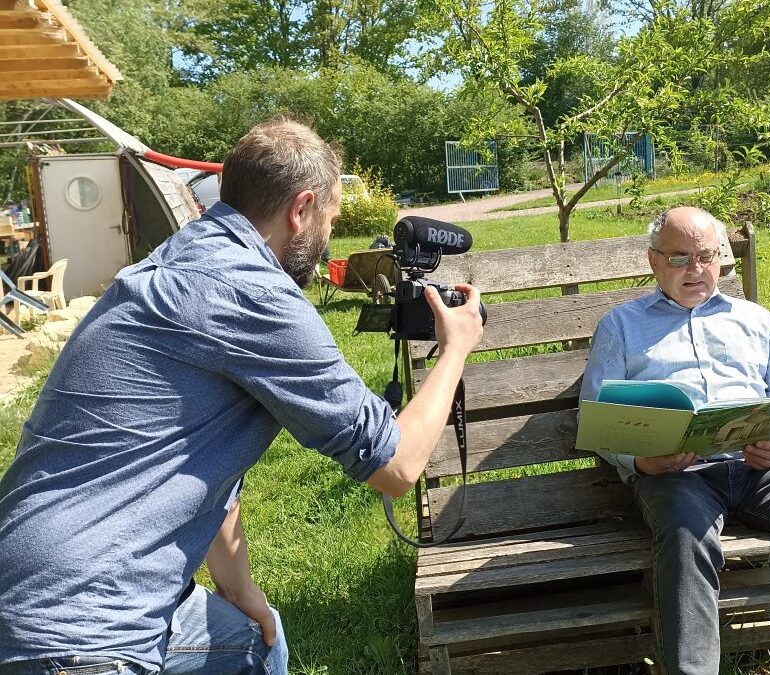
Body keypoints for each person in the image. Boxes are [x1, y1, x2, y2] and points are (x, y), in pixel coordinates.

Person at [0, 117, 485, 675]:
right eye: (329, 222)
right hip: (85, 631)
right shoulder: (252, 293)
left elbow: (204, 466)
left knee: (249, 639)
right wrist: (455, 349)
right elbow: (396, 465)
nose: (327, 239)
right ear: (300, 211)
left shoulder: (177, 259)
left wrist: (241, 591)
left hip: (26, 588)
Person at [580, 206, 770, 675]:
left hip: (759, 467)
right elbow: (598, 415)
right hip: (676, 475)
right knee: (686, 535)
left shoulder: (756, 320)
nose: (696, 269)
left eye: (706, 256)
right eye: (680, 257)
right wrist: (641, 461)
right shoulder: (621, 326)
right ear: (653, 261)